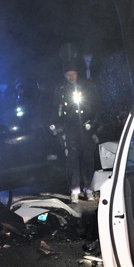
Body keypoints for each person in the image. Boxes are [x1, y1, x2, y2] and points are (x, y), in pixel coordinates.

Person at [50, 58, 100, 203]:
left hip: (86, 128)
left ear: (77, 74)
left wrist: (94, 125)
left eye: (73, 74)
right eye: (68, 75)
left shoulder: (87, 86)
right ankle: (75, 190)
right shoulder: (60, 90)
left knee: (88, 160)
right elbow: (56, 110)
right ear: (64, 76)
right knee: (72, 160)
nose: (71, 77)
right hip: (70, 129)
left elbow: (96, 106)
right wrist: (57, 127)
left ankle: (89, 189)